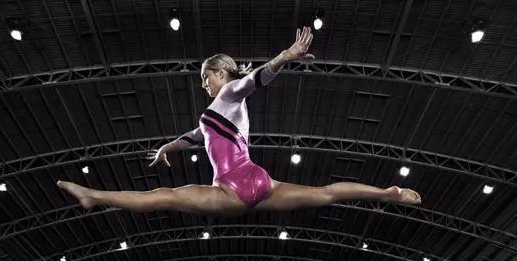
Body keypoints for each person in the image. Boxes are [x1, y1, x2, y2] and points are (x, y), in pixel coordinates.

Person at [57, 27, 421, 216]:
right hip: (260, 182)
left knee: (162, 197)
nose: (204, 84)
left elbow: (255, 79)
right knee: (324, 194)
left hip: (230, 188)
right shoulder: (218, 112)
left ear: (219, 72)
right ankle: (384, 193)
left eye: (205, 76)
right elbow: (195, 136)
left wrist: (285, 56)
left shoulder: (228, 93)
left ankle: (94, 196)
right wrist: (167, 147)